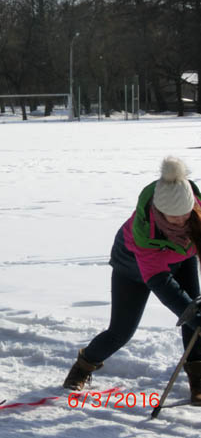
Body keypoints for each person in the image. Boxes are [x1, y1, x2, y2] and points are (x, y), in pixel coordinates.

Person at [63, 157, 201, 406]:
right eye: (174, 218)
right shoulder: (144, 233)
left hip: (181, 260)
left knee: (195, 319)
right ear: (159, 212)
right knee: (122, 331)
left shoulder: (197, 213)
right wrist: (192, 314)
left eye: (186, 215)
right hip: (133, 269)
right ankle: (83, 366)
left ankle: (199, 378)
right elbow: (162, 284)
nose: (182, 221)